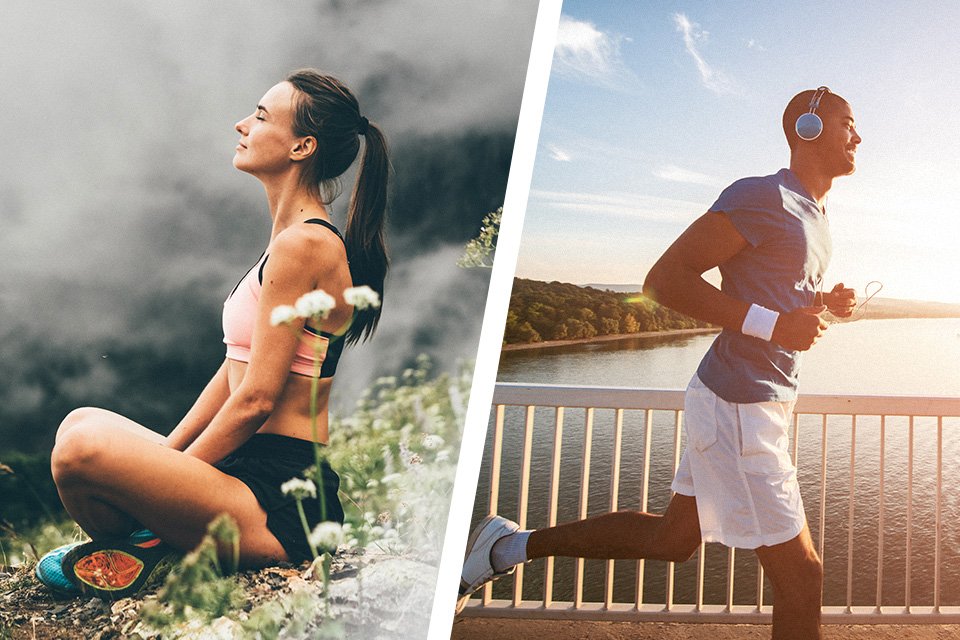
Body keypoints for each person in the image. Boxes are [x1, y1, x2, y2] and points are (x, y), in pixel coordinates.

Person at [459, 87, 860, 640]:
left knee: (671, 541)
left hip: (755, 400)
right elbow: (663, 281)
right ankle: (505, 546)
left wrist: (819, 306)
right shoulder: (762, 197)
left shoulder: (816, 217)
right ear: (808, 129)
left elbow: (777, 305)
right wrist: (774, 324)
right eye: (847, 123)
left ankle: (507, 546)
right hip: (740, 404)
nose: (857, 137)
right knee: (802, 576)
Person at [34, 69, 389, 598]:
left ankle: (146, 546)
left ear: (302, 146)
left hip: (278, 498)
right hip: (240, 472)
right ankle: (151, 547)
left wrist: (158, 488)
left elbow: (257, 400)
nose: (242, 123)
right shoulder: (287, 242)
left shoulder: (305, 246)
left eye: (263, 116)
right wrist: (166, 470)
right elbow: (233, 373)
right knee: (82, 421)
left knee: (80, 450)